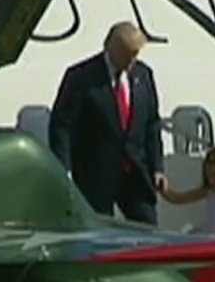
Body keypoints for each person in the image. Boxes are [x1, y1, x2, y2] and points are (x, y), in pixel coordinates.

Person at [48, 22, 168, 225]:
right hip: (96, 174)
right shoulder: (81, 77)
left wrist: (157, 167)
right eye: (128, 54)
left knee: (147, 226)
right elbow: (62, 125)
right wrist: (64, 168)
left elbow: (151, 124)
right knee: (98, 231)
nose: (132, 60)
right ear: (110, 48)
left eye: (135, 54)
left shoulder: (143, 75)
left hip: (136, 174)